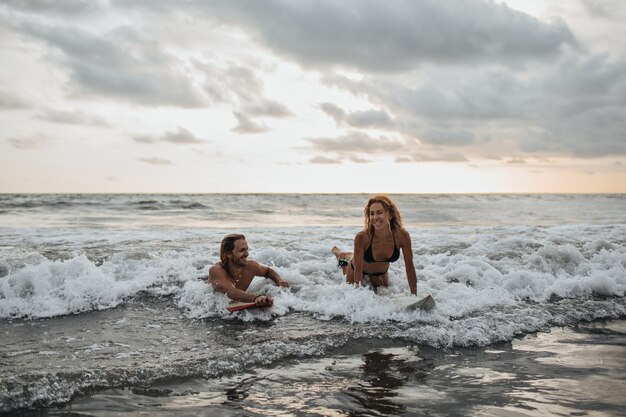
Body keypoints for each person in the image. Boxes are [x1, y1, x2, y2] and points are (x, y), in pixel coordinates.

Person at [332, 195, 417, 295]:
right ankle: (341, 257)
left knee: (383, 297)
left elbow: (410, 268)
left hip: (380, 273)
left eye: (379, 212)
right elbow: (358, 276)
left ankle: (348, 255)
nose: (375, 217)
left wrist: (414, 296)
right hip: (357, 269)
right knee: (348, 266)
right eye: (371, 214)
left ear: (389, 214)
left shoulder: (402, 236)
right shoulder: (362, 237)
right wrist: (358, 296)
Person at [209, 234, 289, 307]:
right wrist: (256, 298)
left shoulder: (251, 266)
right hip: (210, 304)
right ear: (229, 254)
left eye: (247, 250)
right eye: (242, 250)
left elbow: (267, 271)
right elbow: (231, 292)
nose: (247, 254)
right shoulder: (216, 270)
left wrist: (279, 280)